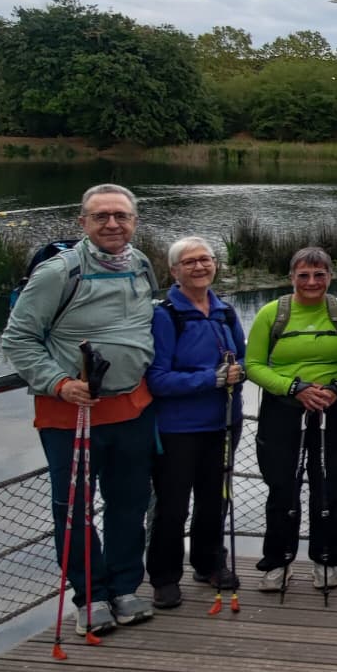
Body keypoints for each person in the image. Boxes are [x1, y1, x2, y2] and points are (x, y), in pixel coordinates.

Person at [1, 183, 158, 635]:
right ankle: (89, 596)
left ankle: (126, 588)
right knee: (74, 510)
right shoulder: (59, 273)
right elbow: (18, 338)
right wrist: (59, 382)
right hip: (72, 414)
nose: (113, 224)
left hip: (131, 409)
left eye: (121, 216)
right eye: (101, 216)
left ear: (134, 221)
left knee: (129, 504)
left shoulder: (142, 264)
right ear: (83, 222)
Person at [244, 247, 337, 592]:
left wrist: (336, 388)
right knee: (283, 489)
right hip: (283, 412)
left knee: (328, 489)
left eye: (319, 275)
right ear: (291, 278)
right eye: (303, 275)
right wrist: (293, 388)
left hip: (332, 410)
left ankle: (326, 560)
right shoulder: (272, 313)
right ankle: (278, 561)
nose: (312, 282)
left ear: (330, 276)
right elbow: (253, 365)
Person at [145, 236, 246, 610]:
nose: (200, 266)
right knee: (172, 506)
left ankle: (208, 563)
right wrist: (212, 379)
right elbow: (157, 379)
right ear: (174, 271)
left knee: (215, 499)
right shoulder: (165, 315)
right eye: (189, 262)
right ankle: (164, 577)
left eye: (205, 260)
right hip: (177, 429)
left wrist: (239, 372)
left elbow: (243, 360)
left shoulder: (226, 312)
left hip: (222, 424)